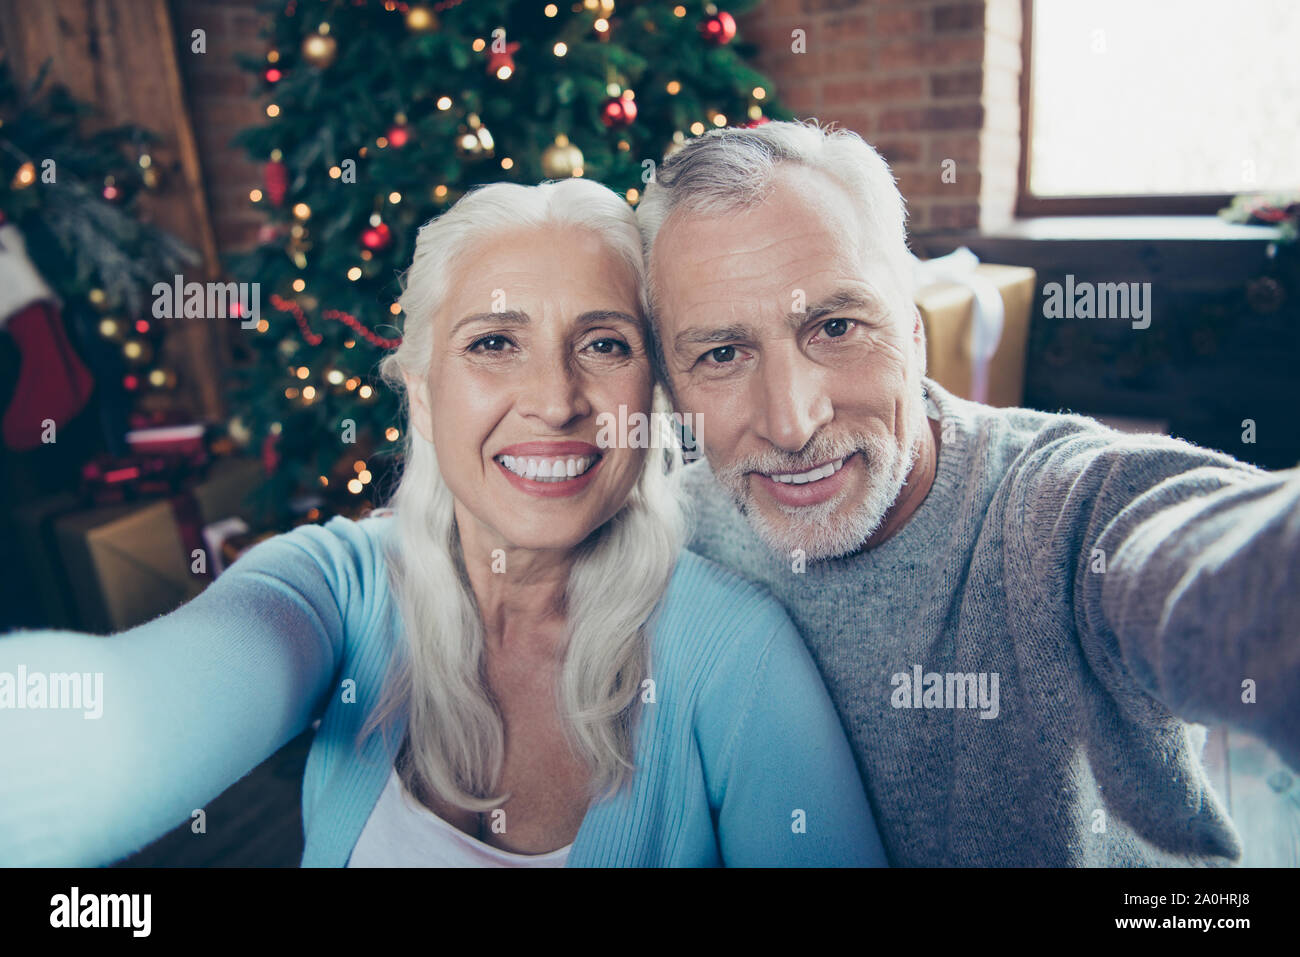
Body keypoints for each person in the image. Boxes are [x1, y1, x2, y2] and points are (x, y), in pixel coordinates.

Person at [0, 177, 888, 868]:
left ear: (652, 397)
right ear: (422, 395)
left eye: (605, 343)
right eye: (494, 342)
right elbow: (116, 732)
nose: (554, 399)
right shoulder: (338, 587)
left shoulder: (734, 656)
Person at [637, 119, 1300, 866]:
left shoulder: (1063, 509)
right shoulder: (668, 539)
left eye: (835, 326)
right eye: (722, 353)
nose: (792, 422)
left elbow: (1215, 549)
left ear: (914, 335)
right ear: (671, 385)